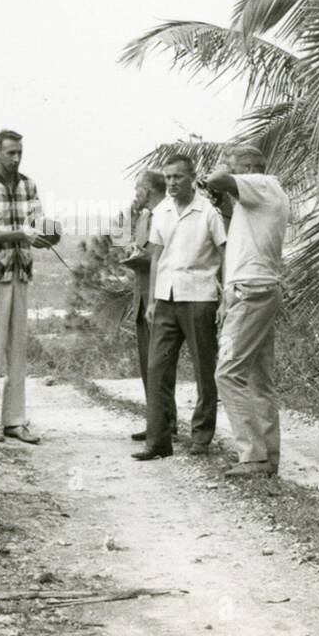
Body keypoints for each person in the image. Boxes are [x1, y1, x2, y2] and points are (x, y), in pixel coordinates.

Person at [204, 145, 292, 478]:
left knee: (227, 373)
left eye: (236, 167)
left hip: (251, 291)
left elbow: (215, 178)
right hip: (258, 289)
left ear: (251, 168)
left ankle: (253, 456)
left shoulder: (264, 183)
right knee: (258, 380)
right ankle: (268, 455)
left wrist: (220, 171)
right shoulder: (264, 195)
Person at [0, 129, 58, 443]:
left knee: (17, 349)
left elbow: (36, 227)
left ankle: (14, 422)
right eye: (10, 153)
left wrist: (49, 235)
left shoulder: (28, 185)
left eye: (19, 152)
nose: (16, 159)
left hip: (20, 272)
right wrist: (20, 234)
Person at [135, 154, 227, 461]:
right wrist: (151, 301)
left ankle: (201, 437)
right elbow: (156, 257)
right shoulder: (161, 211)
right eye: (169, 177)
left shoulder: (208, 212)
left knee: (204, 369)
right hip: (165, 300)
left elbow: (226, 253)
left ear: (191, 178)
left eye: (178, 177)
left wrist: (226, 296)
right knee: (157, 370)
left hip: (200, 298)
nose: (172, 182)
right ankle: (158, 441)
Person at [123, 169, 166, 442]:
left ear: (148, 189)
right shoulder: (144, 217)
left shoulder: (165, 214)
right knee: (147, 363)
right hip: (141, 297)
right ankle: (157, 421)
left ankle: (163, 423)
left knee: (158, 364)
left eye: (138, 188)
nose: (135, 194)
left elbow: (157, 254)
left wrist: (140, 256)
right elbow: (143, 251)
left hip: (158, 297)